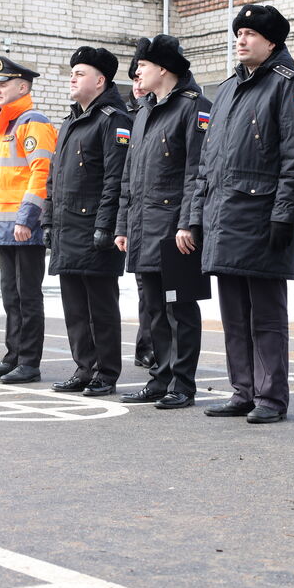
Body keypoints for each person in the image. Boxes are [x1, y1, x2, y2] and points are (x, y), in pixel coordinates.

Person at [189, 4, 294, 423]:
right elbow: (207, 163)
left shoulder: (289, 86)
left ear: (271, 42)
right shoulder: (227, 90)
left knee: (266, 315)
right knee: (233, 315)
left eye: (250, 35)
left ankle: (270, 397)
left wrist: (284, 215)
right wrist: (197, 214)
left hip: (262, 216)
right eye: (238, 34)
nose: (240, 41)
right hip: (224, 216)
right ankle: (242, 390)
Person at [116, 35, 211, 409]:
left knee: (180, 308)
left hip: (175, 227)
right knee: (153, 309)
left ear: (163, 68)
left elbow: (197, 172)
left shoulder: (193, 107)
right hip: (144, 226)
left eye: (143, 65)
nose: (137, 72)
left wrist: (189, 222)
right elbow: (129, 176)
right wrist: (123, 226)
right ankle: (159, 378)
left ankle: (182, 384)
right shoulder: (144, 112)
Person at [44, 47, 131, 397]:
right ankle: (84, 368)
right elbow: (54, 177)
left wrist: (106, 226)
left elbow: (115, 178)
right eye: (72, 73)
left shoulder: (113, 120)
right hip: (67, 228)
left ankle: (105, 372)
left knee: (101, 308)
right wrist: (48, 220)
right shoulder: (69, 122)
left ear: (100, 81)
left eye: (80, 73)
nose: (72, 78)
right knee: (75, 308)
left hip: (95, 229)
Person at [0, 57, 57, 384]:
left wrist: (27, 218)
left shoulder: (33, 122)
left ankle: (29, 362)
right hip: (3, 225)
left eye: (3, 84)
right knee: (11, 296)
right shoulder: (0, 126)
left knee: (27, 296)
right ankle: (12, 357)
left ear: (22, 87)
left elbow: (42, 172)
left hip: (24, 227)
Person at [125, 45, 158, 372]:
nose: (137, 84)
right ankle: (145, 347)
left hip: (157, 215)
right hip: (137, 215)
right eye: (133, 79)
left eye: (140, 76)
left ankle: (151, 348)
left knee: (159, 294)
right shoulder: (131, 117)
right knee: (144, 290)